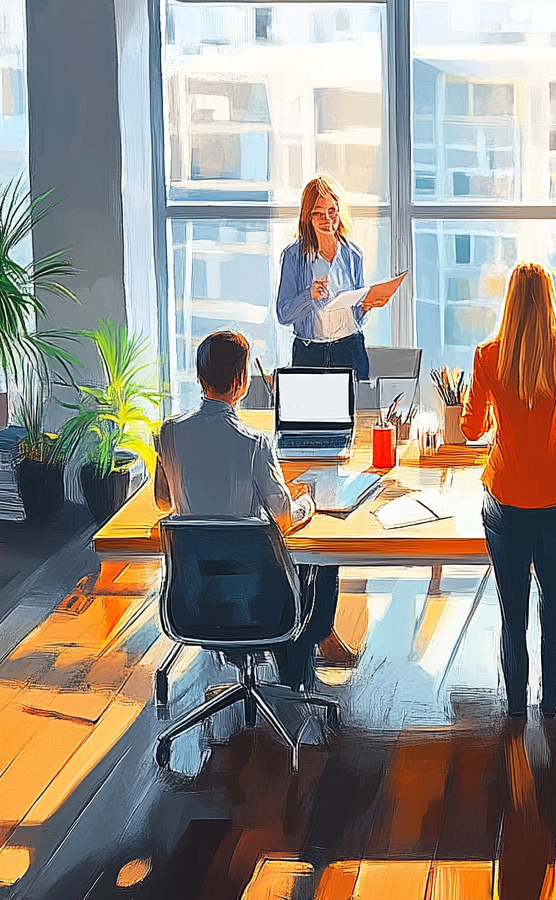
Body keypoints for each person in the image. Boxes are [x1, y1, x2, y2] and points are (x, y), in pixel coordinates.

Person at [154, 331, 342, 691]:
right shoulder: (254, 443)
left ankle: (284, 666)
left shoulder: (169, 432)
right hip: (255, 600)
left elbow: (164, 501)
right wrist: (308, 502)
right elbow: (284, 519)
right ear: (241, 382)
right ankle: (295, 668)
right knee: (326, 558)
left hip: (193, 599)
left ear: (199, 378)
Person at [462, 262, 556, 718]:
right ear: (549, 303)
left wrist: (498, 419)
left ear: (508, 302)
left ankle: (516, 711)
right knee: (554, 615)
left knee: (512, 616)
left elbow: (470, 428)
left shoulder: (488, 355)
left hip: (505, 498)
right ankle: (549, 708)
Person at [275, 175, 401, 381]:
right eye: (318, 213)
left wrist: (366, 306)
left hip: (349, 349)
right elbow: (283, 314)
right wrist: (309, 296)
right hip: (310, 353)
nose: (327, 219)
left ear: (339, 211)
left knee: (355, 410)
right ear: (307, 217)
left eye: (332, 211)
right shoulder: (293, 257)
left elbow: (358, 317)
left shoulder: (353, 255)